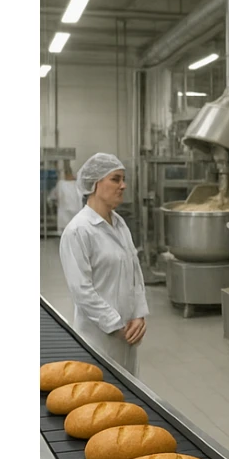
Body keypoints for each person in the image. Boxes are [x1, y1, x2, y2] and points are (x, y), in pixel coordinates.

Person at [58, 152, 148, 376]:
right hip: (98, 338)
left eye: (123, 179)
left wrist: (138, 314)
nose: (123, 186)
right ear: (96, 184)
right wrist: (116, 324)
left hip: (128, 335)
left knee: (126, 397)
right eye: (115, 179)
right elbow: (81, 290)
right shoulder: (78, 231)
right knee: (101, 396)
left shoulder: (119, 223)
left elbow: (134, 272)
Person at [54, 160, 80, 234]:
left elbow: (57, 195)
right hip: (74, 209)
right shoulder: (64, 184)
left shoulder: (62, 184)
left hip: (68, 209)